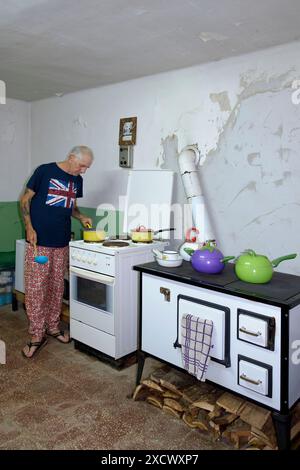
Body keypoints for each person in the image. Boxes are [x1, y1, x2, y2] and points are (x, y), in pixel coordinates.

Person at [20, 145, 94, 358]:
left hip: (61, 242)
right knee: (36, 286)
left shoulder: (77, 180)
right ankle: (36, 334)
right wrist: (29, 227)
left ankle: (52, 326)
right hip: (39, 243)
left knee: (56, 285)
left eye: (87, 167)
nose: (84, 171)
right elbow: (25, 200)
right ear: (71, 157)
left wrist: (81, 217)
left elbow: (70, 206)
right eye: (82, 165)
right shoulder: (44, 171)